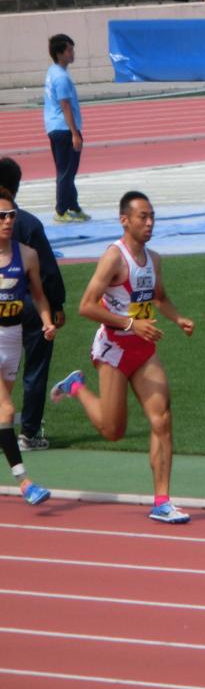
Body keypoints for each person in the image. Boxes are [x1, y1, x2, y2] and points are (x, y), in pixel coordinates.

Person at [50, 191, 195, 525]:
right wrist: (132, 323)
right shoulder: (114, 258)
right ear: (124, 220)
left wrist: (178, 318)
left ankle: (162, 500)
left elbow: (160, 298)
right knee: (113, 431)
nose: (149, 223)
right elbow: (86, 306)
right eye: (142, 217)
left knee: (162, 419)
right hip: (113, 348)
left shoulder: (154, 259)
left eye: (152, 216)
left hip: (143, 351)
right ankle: (76, 387)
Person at [0, 158, 66, 453]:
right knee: (35, 370)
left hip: (5, 307)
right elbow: (48, 271)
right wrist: (57, 305)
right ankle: (28, 433)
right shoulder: (28, 223)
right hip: (32, 306)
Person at [0, 188, 55, 506]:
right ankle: (25, 482)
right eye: (1, 217)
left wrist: (47, 321)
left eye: (11, 216)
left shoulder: (27, 255)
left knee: (2, 414)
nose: (7, 221)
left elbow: (37, 294)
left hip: (12, 339)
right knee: (6, 409)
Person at [43, 34, 90, 224]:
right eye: (69, 50)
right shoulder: (61, 78)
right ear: (59, 53)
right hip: (63, 129)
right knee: (66, 171)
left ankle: (73, 206)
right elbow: (65, 106)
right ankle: (62, 209)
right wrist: (74, 133)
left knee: (67, 171)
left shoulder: (53, 71)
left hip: (55, 127)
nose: (73, 53)